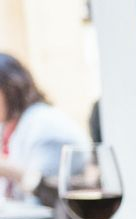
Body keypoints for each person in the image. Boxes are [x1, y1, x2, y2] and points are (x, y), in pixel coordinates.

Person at [0, 53, 86, 205]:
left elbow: (50, 194)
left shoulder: (45, 125)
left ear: (11, 88)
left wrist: (7, 169)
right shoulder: (10, 127)